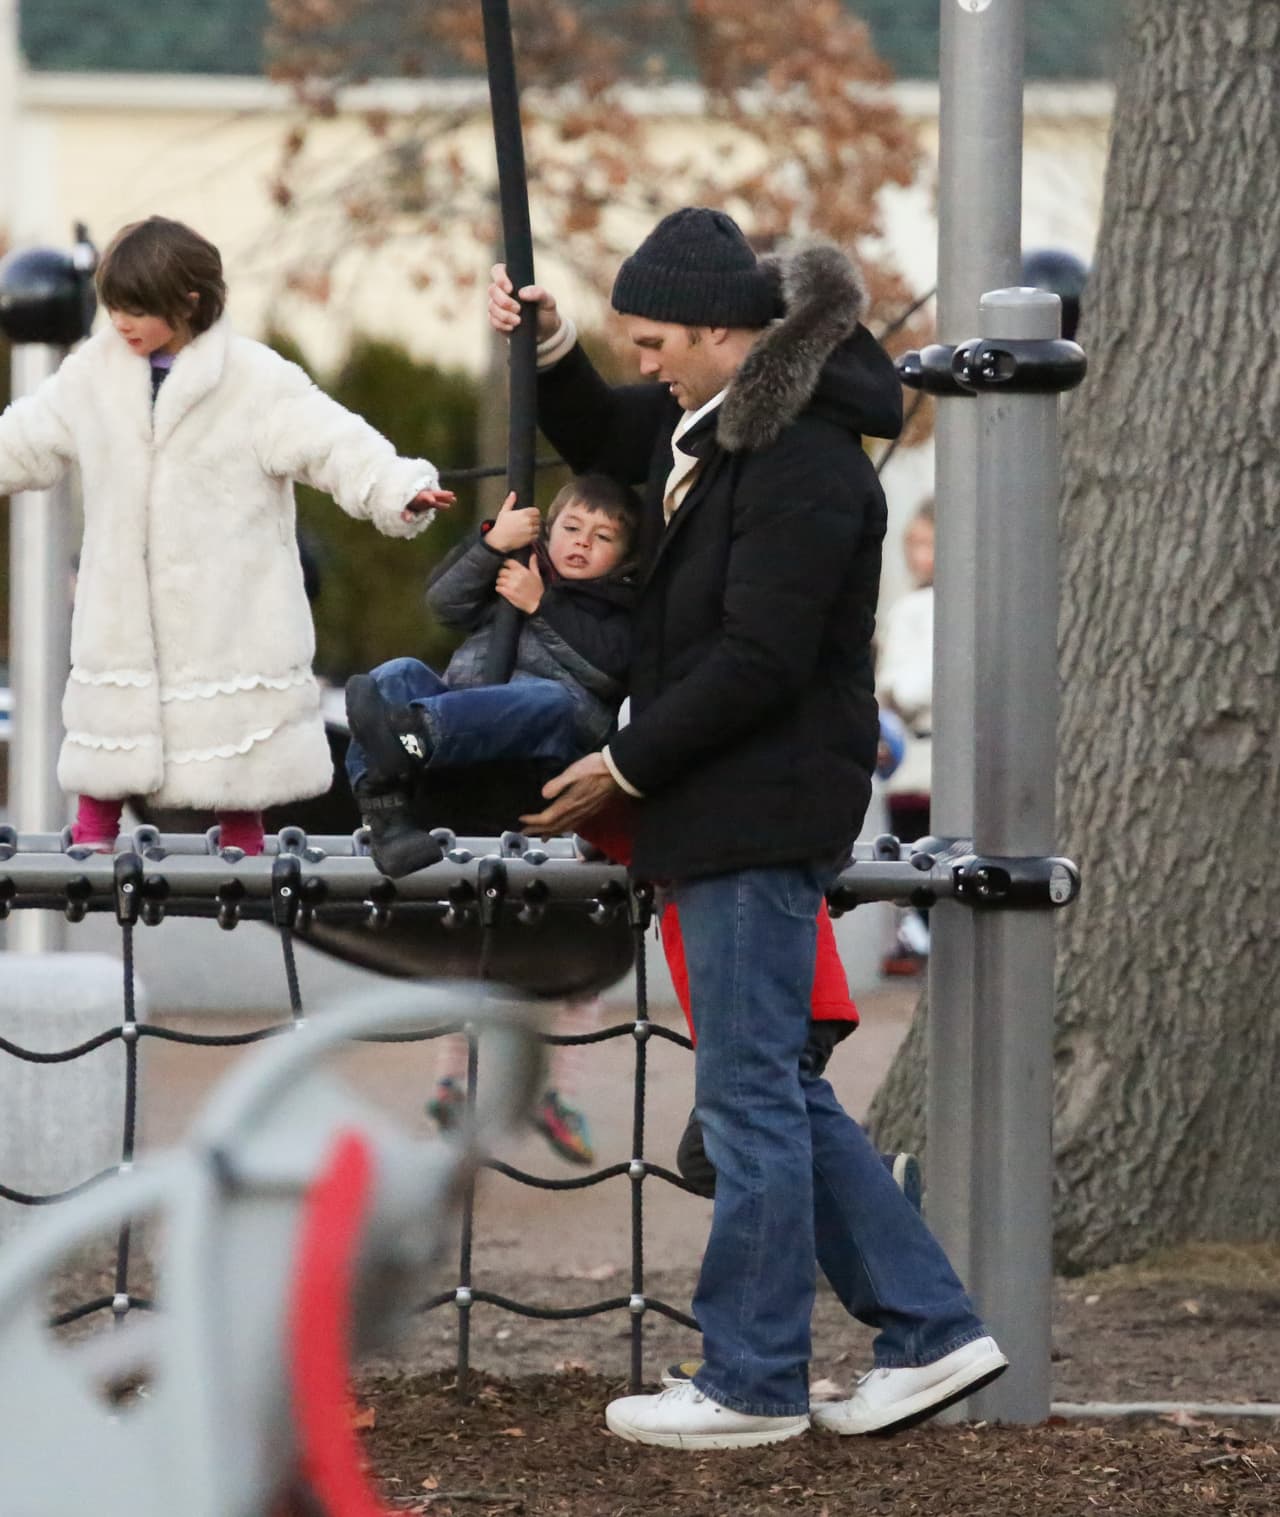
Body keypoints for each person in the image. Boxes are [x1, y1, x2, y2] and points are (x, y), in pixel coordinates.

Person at [489, 207, 1006, 1448]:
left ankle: (753, 1378)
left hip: (751, 809)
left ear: (723, 333)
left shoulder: (801, 462)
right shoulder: (726, 432)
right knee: (775, 1091)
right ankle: (929, 1331)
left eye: (653, 341)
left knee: (747, 1101)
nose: (642, 363)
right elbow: (606, 431)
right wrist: (548, 347)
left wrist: (620, 761)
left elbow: (761, 658)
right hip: (728, 805)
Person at [0, 215, 454, 857]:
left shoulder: (255, 380)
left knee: (239, 730)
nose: (120, 323)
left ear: (187, 302)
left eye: (136, 309)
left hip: (231, 602)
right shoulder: (91, 375)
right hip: (122, 603)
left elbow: (332, 441)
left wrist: (395, 485)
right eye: (113, 307)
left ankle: (244, 836)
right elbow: (24, 438)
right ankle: (94, 830)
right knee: (110, 720)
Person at [343, 473, 639, 876]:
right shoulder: (516, 566)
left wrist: (541, 606)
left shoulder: (621, 605)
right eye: (572, 529)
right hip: (465, 726)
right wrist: (491, 545)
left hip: (541, 755)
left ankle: (413, 737)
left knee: (550, 699)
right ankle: (385, 812)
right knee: (398, 674)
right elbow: (443, 604)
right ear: (548, 531)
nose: (583, 542)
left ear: (625, 557)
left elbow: (610, 669)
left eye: (603, 537)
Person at [877, 499, 935, 975]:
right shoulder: (906, 606)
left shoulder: (938, 609)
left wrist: (898, 693)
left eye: (927, 544)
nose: (918, 555)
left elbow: (924, 678)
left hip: (932, 752)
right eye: (912, 544)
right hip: (906, 757)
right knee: (906, 848)